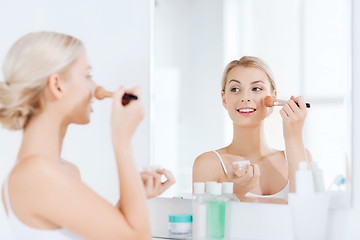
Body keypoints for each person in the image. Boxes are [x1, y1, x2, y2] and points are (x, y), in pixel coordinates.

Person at [0, 31, 175, 240]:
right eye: (88, 76)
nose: (95, 89)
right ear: (57, 85)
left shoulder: (61, 170)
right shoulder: (35, 174)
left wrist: (136, 194)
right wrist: (122, 141)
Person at [193, 56, 312, 201]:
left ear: (273, 97)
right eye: (235, 89)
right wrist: (239, 191)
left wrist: (294, 136)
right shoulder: (208, 164)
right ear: (224, 99)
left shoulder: (301, 156)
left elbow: (307, 213)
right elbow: (207, 222)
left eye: (256, 88)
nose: (245, 97)